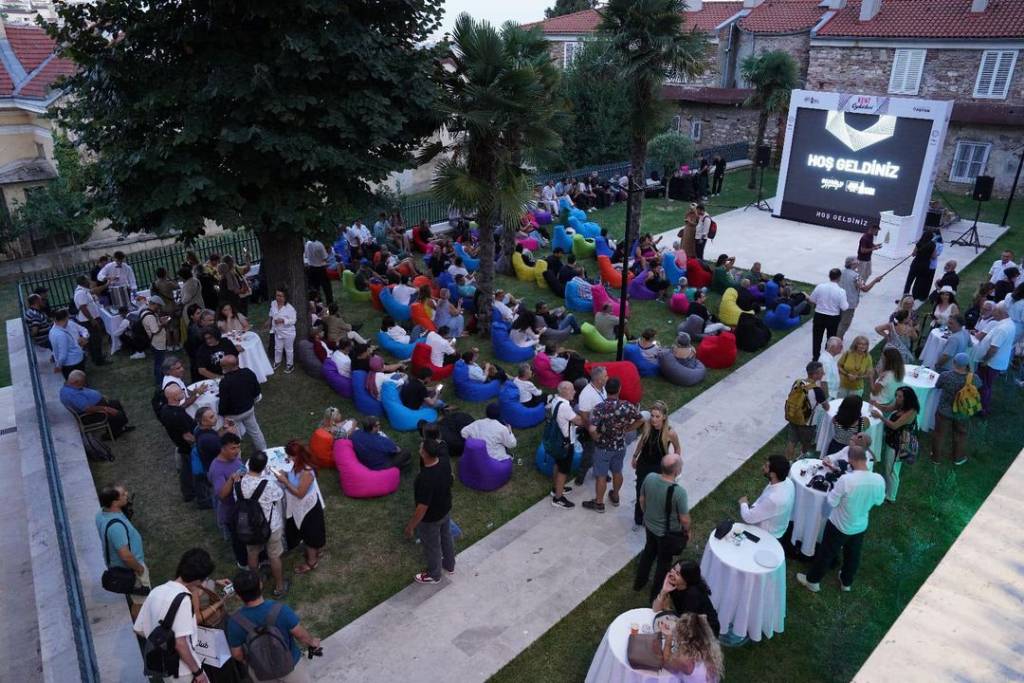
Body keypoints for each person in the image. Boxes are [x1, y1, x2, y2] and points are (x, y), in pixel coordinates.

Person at [797, 446, 884, 593]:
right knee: (853, 555)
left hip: (839, 524)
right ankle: (846, 582)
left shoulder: (846, 480)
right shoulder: (878, 479)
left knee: (826, 553)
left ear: (850, 460)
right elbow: (879, 501)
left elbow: (832, 502)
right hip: (860, 525)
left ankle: (813, 581)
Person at [133, 548, 217, 683]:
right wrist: (198, 672)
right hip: (184, 671)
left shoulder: (157, 590)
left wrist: (162, 642)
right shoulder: (184, 600)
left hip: (165, 667)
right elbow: (180, 643)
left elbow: (139, 628)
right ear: (197, 580)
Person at [226, 568, 321, 683]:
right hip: (291, 665)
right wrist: (312, 642)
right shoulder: (280, 610)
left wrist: (251, 662)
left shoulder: (235, 622)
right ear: (260, 585)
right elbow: (300, 635)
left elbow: (237, 654)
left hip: (262, 673)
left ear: (238, 596)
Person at [634, 453, 691, 600]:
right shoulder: (679, 492)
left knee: (648, 553)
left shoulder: (650, 477)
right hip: (667, 534)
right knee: (663, 564)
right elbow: (684, 519)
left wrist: (647, 515)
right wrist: (687, 530)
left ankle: (639, 582)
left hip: (650, 526)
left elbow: (642, 499)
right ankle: (656, 595)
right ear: (676, 471)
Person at [583, 378, 643, 513]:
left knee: (601, 475)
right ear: (619, 389)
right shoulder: (626, 406)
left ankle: (599, 503)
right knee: (617, 471)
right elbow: (641, 419)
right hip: (620, 445)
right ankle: (615, 496)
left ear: (605, 389)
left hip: (603, 448)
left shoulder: (599, 408)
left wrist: (596, 437)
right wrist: (627, 429)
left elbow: (592, 429)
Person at [405, 438, 455, 584]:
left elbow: (422, 508)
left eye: (421, 449)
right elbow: (451, 478)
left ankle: (434, 575)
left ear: (425, 454)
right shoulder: (444, 463)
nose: (419, 450)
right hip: (445, 509)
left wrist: (410, 527)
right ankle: (450, 565)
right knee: (447, 537)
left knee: (433, 546)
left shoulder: (425, 478)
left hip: (431, 519)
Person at [96, 484, 149, 619]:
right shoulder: (116, 527)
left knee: (137, 599)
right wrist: (139, 569)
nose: (127, 494)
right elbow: (125, 556)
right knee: (140, 601)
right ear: (114, 502)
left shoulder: (101, 514)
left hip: (118, 564)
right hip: (131, 568)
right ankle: (140, 629)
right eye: (123, 494)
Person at [239, 450, 288, 597]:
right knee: (274, 555)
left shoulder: (239, 482)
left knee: (252, 554)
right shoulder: (267, 484)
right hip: (270, 526)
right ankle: (279, 587)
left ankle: (256, 583)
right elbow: (279, 495)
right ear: (264, 467)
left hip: (248, 526)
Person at [273, 441, 326, 575]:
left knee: (309, 534)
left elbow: (300, 493)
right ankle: (316, 551)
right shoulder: (297, 465)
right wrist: (285, 474)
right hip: (302, 506)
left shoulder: (307, 472)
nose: (289, 459)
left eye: (291, 456)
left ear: (299, 456)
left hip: (308, 508)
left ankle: (312, 562)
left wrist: (285, 482)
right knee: (309, 532)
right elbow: (294, 478)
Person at [631, 401, 681, 526]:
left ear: (664, 417)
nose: (654, 419)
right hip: (643, 464)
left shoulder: (670, 433)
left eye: (657, 416)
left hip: (659, 468)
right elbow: (642, 442)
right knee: (640, 492)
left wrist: (674, 464)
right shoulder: (647, 426)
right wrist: (635, 456)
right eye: (652, 416)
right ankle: (638, 519)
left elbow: (677, 449)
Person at [207, 432, 249, 568]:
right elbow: (222, 494)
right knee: (239, 539)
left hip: (242, 506)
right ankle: (243, 563)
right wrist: (232, 478)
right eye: (233, 448)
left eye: (238, 447)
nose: (236, 451)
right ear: (223, 448)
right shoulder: (217, 469)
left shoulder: (235, 458)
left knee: (247, 533)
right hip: (232, 511)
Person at [872, 386, 919, 502]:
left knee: (892, 470)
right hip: (892, 440)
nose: (897, 398)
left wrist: (881, 417)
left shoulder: (911, 411)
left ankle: (891, 496)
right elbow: (888, 408)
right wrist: (876, 405)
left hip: (898, 444)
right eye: (896, 395)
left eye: (900, 396)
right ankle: (889, 491)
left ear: (907, 398)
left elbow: (894, 425)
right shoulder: (901, 404)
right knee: (889, 467)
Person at [932, 352, 981, 466]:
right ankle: (958, 458)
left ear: (954, 362)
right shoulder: (974, 378)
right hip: (963, 412)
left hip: (944, 411)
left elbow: (937, 385)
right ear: (967, 364)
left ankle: (936, 458)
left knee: (939, 434)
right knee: (961, 434)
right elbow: (979, 386)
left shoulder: (945, 375)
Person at [651, 561, 720, 636]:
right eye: (673, 569)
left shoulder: (693, 596)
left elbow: (687, 628)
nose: (672, 573)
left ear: (686, 579)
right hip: (688, 621)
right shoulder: (673, 584)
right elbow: (655, 609)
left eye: (677, 573)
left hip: (706, 630)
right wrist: (664, 591)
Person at [972, 301, 1015, 416]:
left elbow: (993, 349)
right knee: (986, 384)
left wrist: (985, 360)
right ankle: (981, 405)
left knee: (984, 385)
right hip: (996, 362)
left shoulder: (1002, 329)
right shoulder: (1009, 323)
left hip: (991, 363)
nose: (993, 312)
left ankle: (981, 409)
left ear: (1000, 312)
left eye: (994, 310)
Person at [59, 369, 132, 436]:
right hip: (88, 415)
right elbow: (88, 409)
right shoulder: (72, 395)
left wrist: (100, 397)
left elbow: (84, 392)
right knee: (117, 414)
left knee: (116, 403)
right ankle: (112, 434)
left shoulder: (69, 386)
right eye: (82, 382)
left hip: (93, 407)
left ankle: (121, 427)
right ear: (75, 382)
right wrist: (106, 408)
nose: (84, 384)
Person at [159, 384, 200, 504]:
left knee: (185, 470)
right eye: (180, 391)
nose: (183, 391)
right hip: (188, 447)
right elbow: (187, 436)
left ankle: (189, 492)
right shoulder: (177, 415)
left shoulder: (166, 409)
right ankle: (191, 493)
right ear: (174, 397)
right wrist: (200, 443)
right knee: (190, 470)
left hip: (180, 445)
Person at [219, 355, 268, 451]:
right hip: (249, 409)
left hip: (233, 415)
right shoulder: (248, 372)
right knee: (255, 431)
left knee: (234, 438)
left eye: (223, 366)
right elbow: (257, 391)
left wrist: (223, 415)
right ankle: (264, 450)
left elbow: (224, 403)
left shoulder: (225, 382)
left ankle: (237, 459)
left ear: (227, 367)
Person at [738, 455, 795, 538]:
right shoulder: (789, 483)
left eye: (766, 466)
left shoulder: (773, 499)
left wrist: (743, 503)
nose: (763, 467)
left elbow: (748, 517)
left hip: (766, 535)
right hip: (779, 526)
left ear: (773, 474)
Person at [547, 382, 583, 509]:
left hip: (557, 441)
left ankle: (555, 488)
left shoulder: (556, 400)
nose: (574, 392)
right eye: (572, 390)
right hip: (566, 443)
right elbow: (579, 421)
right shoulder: (565, 407)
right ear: (564, 391)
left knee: (557, 464)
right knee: (563, 470)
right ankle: (558, 498)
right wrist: (586, 415)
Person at [660, 612, 724, 683]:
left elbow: (665, 662)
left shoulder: (685, 660)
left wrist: (668, 637)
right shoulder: (709, 648)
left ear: (683, 638)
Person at [784, 362, 828, 460]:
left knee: (791, 441)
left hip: (793, 417)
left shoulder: (798, 382)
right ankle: (802, 458)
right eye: (821, 372)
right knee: (806, 443)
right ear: (815, 374)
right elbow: (827, 407)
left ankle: (787, 462)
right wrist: (823, 390)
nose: (823, 374)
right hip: (807, 423)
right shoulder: (817, 390)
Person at [574, 366, 608, 486]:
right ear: (599, 380)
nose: (607, 377)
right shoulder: (587, 394)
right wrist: (592, 431)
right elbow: (584, 416)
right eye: (605, 376)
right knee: (589, 454)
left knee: (602, 452)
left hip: (602, 426)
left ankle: (600, 472)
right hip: (591, 429)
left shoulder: (602, 388)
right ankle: (580, 477)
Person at [808, 268, 849, 362]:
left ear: (829, 276)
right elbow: (844, 307)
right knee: (830, 339)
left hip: (819, 315)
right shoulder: (841, 291)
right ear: (839, 278)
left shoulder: (820, 287)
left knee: (816, 338)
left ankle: (815, 357)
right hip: (833, 317)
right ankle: (826, 357)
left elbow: (812, 299)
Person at [836, 256, 881, 339]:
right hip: (849, 304)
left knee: (837, 321)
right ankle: (837, 340)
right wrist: (875, 280)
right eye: (856, 260)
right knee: (844, 323)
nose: (858, 261)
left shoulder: (840, 272)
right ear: (852, 263)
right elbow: (865, 289)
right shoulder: (856, 276)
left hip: (838, 302)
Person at [73, 275, 108, 365]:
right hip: (88, 321)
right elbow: (83, 308)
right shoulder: (80, 293)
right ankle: (99, 360)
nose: (89, 281)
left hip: (91, 319)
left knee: (94, 340)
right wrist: (92, 319)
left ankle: (96, 357)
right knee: (95, 340)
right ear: (84, 282)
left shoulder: (85, 290)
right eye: (88, 280)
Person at [142, 296, 171, 386]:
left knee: (157, 362)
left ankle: (158, 378)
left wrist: (160, 320)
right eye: (158, 306)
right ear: (153, 304)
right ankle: (160, 382)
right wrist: (163, 324)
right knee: (160, 363)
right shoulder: (150, 316)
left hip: (156, 343)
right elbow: (155, 330)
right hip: (157, 343)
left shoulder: (147, 312)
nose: (159, 308)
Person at [268, 288, 298, 373]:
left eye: (281, 296)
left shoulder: (290, 308)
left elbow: (293, 320)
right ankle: (277, 362)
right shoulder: (273, 303)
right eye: (277, 295)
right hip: (277, 331)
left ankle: (290, 365)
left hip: (288, 333)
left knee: (289, 349)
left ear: (285, 297)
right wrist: (269, 320)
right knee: (278, 348)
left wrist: (283, 320)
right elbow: (271, 312)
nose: (278, 298)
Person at [49, 310, 87, 378]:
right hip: (73, 362)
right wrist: (59, 366)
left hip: (72, 361)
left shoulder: (52, 331)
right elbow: (63, 354)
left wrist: (83, 338)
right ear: (65, 318)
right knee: (78, 380)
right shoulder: (61, 335)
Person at [870, 347, 905, 411]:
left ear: (888, 360)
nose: (881, 359)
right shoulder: (899, 372)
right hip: (889, 401)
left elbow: (874, 392)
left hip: (877, 404)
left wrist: (871, 377)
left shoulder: (886, 376)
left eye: (883, 357)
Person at [820, 336, 842, 400]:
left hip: (832, 394)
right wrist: (826, 399)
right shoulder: (826, 361)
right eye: (840, 346)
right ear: (832, 347)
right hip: (828, 396)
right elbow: (823, 381)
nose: (842, 348)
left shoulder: (829, 357)